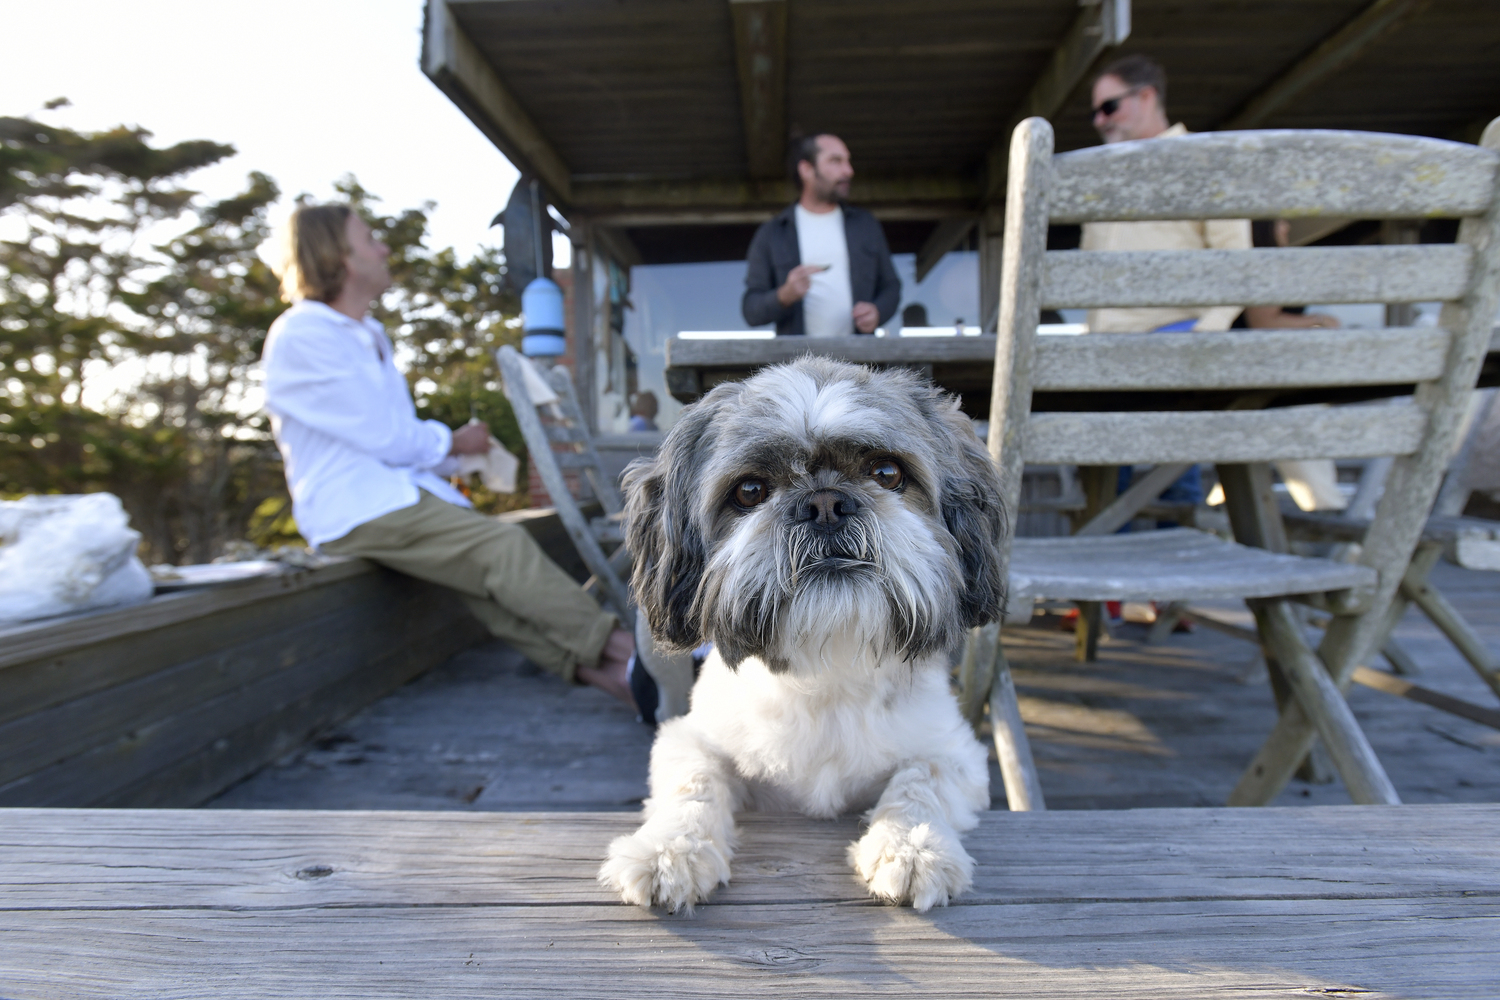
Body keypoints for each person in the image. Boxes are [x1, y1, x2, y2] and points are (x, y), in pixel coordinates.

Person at [261, 203, 636, 703]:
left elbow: (393, 442)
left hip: (393, 497)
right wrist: (454, 442)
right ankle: (634, 656)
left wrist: (460, 456)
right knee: (503, 550)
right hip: (353, 506)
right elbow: (385, 439)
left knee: (492, 598)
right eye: (370, 239)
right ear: (340, 256)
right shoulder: (304, 334)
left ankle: (620, 684)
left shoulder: (367, 334)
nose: (384, 248)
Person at [1085, 55, 1345, 513]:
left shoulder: (1202, 163)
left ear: (1146, 97)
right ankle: (1116, 586)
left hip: (1174, 349)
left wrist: (1204, 334)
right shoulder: (1101, 176)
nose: (1099, 121)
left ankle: (1170, 575)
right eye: (1096, 112)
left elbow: (1235, 263)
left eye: (1109, 107)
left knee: (1173, 480)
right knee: (1108, 486)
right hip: (1103, 360)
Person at [742, 133, 901, 337]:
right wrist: (785, 295)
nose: (848, 171)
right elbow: (750, 311)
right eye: (836, 161)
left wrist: (878, 312)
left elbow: (891, 286)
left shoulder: (865, 225)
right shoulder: (773, 233)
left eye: (848, 161)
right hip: (799, 364)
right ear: (806, 169)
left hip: (859, 363)